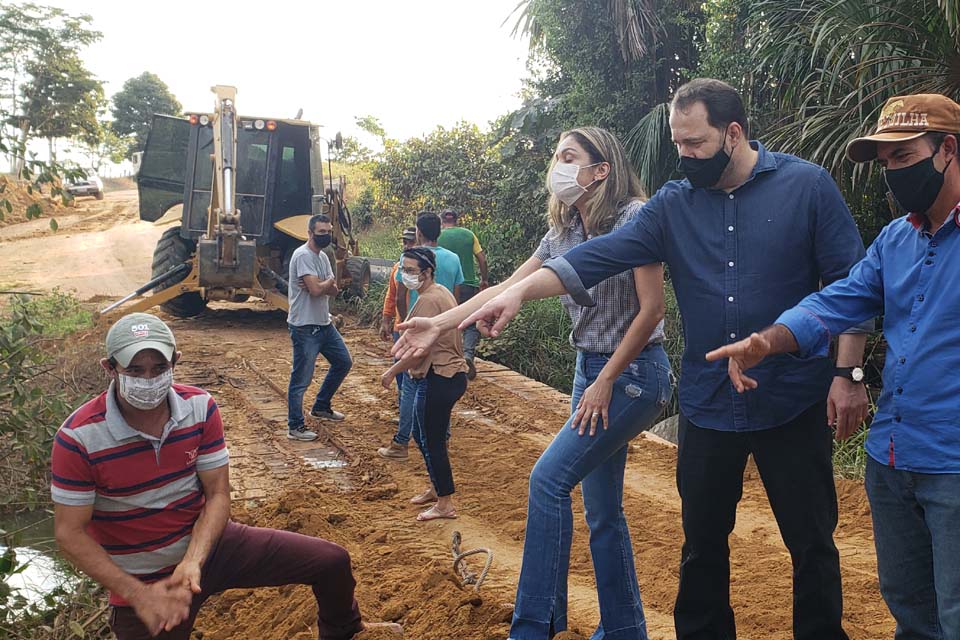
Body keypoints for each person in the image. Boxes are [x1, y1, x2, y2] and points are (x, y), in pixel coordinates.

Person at [429, 79, 874, 640]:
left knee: (810, 543)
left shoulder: (806, 187)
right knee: (702, 546)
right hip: (709, 404)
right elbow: (593, 258)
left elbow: (852, 287)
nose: (682, 154)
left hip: (792, 397)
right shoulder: (672, 206)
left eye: (694, 143)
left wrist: (847, 375)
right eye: (676, 142)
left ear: (732, 134)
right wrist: (514, 293)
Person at [394, 127, 672, 639]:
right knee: (603, 510)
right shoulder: (562, 231)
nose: (558, 167)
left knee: (548, 481)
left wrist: (606, 379)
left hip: (633, 374)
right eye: (556, 156)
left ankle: (534, 627)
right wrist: (440, 322)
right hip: (588, 368)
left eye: (570, 157)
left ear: (601, 170)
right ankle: (625, 630)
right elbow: (508, 286)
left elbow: (652, 309)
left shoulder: (636, 218)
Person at [705, 93, 960, 639]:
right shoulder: (896, 240)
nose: (893, 172)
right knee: (910, 613)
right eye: (885, 162)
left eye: (904, 156)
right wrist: (766, 342)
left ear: (948, 150)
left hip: (953, 464)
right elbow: (836, 301)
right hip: (893, 458)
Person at [50, 312, 400, 640]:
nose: (148, 380)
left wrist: (193, 560)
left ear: (175, 363)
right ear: (110, 368)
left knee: (331, 562)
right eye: (135, 370)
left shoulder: (200, 408)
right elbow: (69, 532)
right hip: (147, 581)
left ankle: (348, 630)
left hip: (213, 547)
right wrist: (137, 594)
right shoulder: (78, 438)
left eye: (158, 368)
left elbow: (217, 493)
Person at [381, 247, 468, 521]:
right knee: (426, 436)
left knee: (430, 440)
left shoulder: (429, 300)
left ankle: (445, 504)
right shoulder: (439, 291)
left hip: (438, 376)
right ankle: (436, 488)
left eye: (410, 271)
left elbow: (417, 350)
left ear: (427, 272)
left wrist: (391, 371)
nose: (405, 276)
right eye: (402, 269)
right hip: (449, 375)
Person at [286, 214, 353, 441]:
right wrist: (324, 284)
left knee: (344, 362)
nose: (325, 235)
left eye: (327, 231)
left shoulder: (323, 257)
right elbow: (318, 289)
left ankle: (321, 406)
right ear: (310, 233)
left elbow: (333, 289)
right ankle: (295, 425)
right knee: (301, 379)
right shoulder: (302, 255)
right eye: (321, 232)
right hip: (305, 326)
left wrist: (321, 284)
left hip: (324, 323)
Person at [438, 209, 490, 379]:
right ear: (457, 220)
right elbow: (482, 259)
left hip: (444, 288)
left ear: (442, 221)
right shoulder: (469, 234)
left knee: (447, 322)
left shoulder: (437, 236)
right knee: (470, 323)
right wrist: (484, 280)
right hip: (468, 285)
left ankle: (448, 361)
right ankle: (467, 355)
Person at [395, 212, 464, 320]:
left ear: (419, 233)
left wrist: (405, 322)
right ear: (439, 233)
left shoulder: (409, 258)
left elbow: (400, 297)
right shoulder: (454, 258)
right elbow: (455, 298)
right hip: (444, 322)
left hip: (416, 321)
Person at [379, 226, 418, 397]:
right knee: (401, 376)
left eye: (411, 242)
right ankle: (405, 413)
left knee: (416, 376)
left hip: (419, 328)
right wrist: (386, 321)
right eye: (405, 242)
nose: (407, 246)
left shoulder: (427, 271)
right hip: (400, 329)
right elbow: (392, 296)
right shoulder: (397, 269)